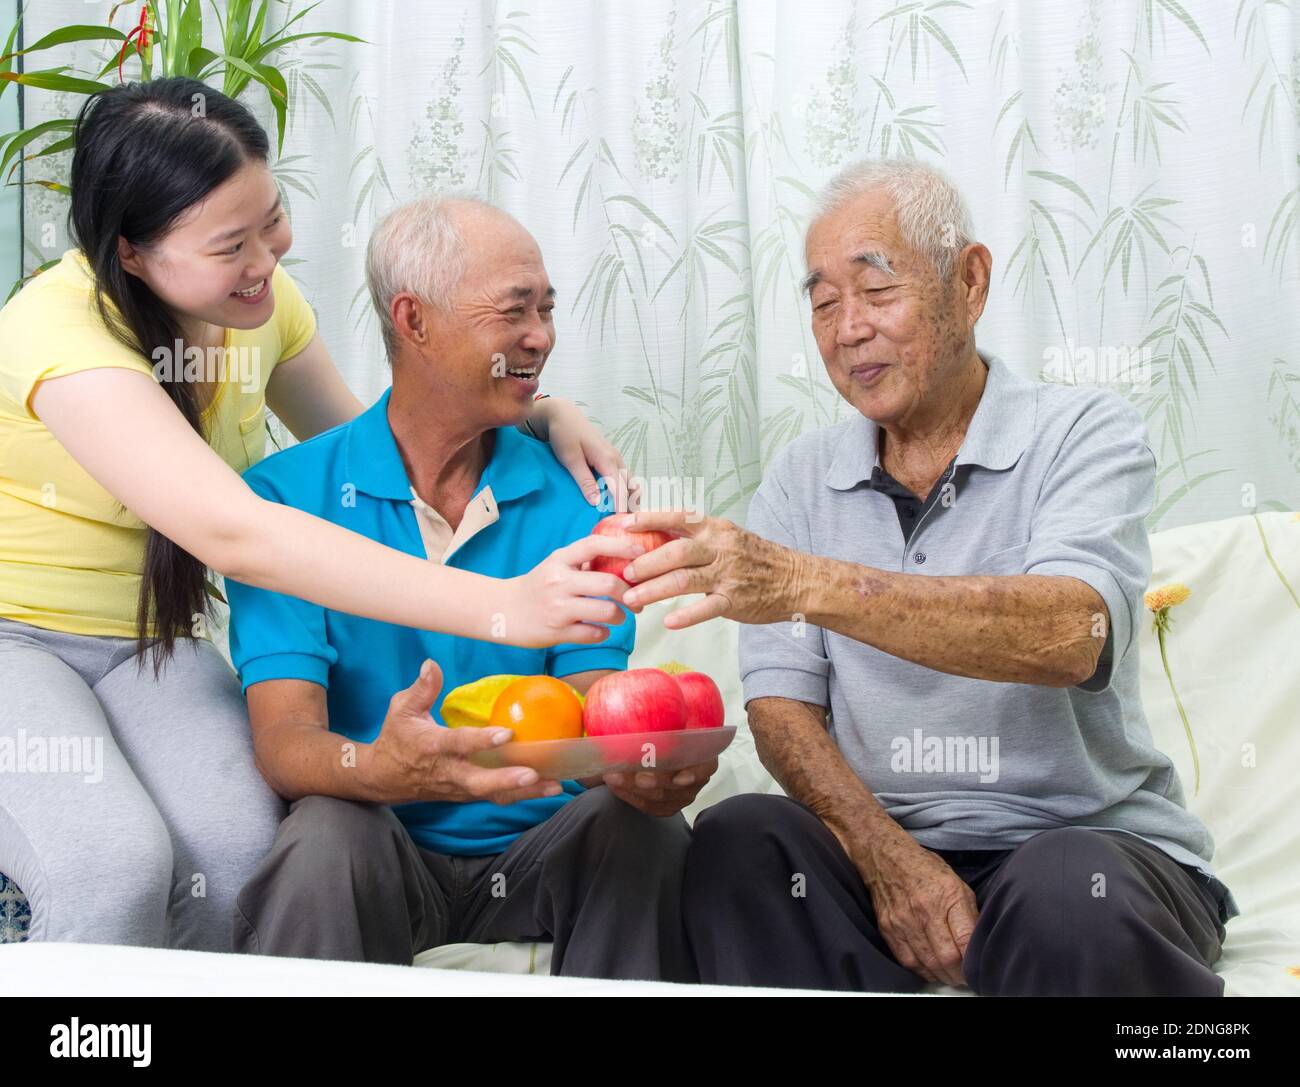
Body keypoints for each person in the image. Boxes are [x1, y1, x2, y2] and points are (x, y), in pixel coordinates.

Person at [0, 78, 639, 953]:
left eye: (272, 216)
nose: (268, 258)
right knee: (113, 863)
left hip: (151, 646)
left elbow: (374, 450)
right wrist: (509, 607)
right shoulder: (57, 333)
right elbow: (240, 532)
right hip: (16, 640)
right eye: (232, 243)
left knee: (237, 848)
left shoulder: (258, 309)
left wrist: (532, 409)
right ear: (135, 254)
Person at [619, 158, 1237, 996]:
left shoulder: (1084, 432)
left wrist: (805, 581)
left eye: (876, 291)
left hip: (1086, 843)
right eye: (823, 301)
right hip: (880, 845)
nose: (847, 329)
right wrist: (889, 861)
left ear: (970, 282)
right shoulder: (800, 477)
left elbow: (1068, 635)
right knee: (739, 841)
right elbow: (781, 710)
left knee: (1063, 895)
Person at [225, 195, 716, 979]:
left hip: (542, 847)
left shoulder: (582, 497)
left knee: (644, 830)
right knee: (324, 833)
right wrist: (378, 768)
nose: (541, 336)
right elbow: (286, 744)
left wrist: (637, 763)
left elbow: (594, 697)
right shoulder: (284, 501)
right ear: (413, 320)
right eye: (515, 311)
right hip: (380, 841)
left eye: (548, 310)